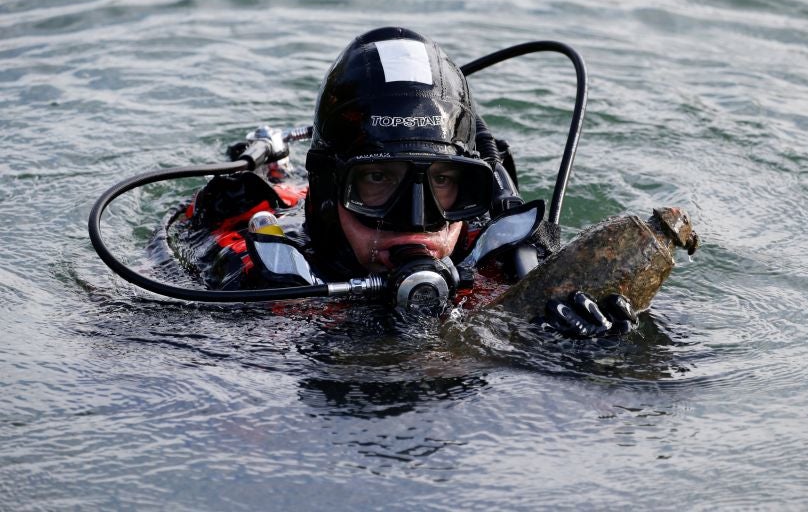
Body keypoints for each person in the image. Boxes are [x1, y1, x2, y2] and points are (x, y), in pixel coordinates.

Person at [178, 27, 634, 337]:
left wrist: (612, 353)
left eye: (443, 182)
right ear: (329, 191)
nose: (415, 221)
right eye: (377, 179)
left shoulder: (506, 261)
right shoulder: (255, 270)